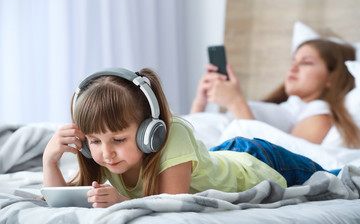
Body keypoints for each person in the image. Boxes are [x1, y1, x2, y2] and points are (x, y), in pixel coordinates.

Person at [43, 67, 340, 208]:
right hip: (218, 158)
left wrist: (122, 200)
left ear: (151, 133)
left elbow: (171, 205)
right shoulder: (109, 154)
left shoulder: (174, 136)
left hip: (257, 161)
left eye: (118, 140)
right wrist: (50, 161)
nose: (106, 154)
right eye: (94, 141)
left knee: (336, 180)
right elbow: (63, 202)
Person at [191, 39, 360, 148]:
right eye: (293, 61)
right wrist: (200, 101)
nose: (293, 67)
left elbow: (282, 162)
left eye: (306, 62)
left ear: (332, 77)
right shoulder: (287, 108)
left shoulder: (319, 114)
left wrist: (236, 102)